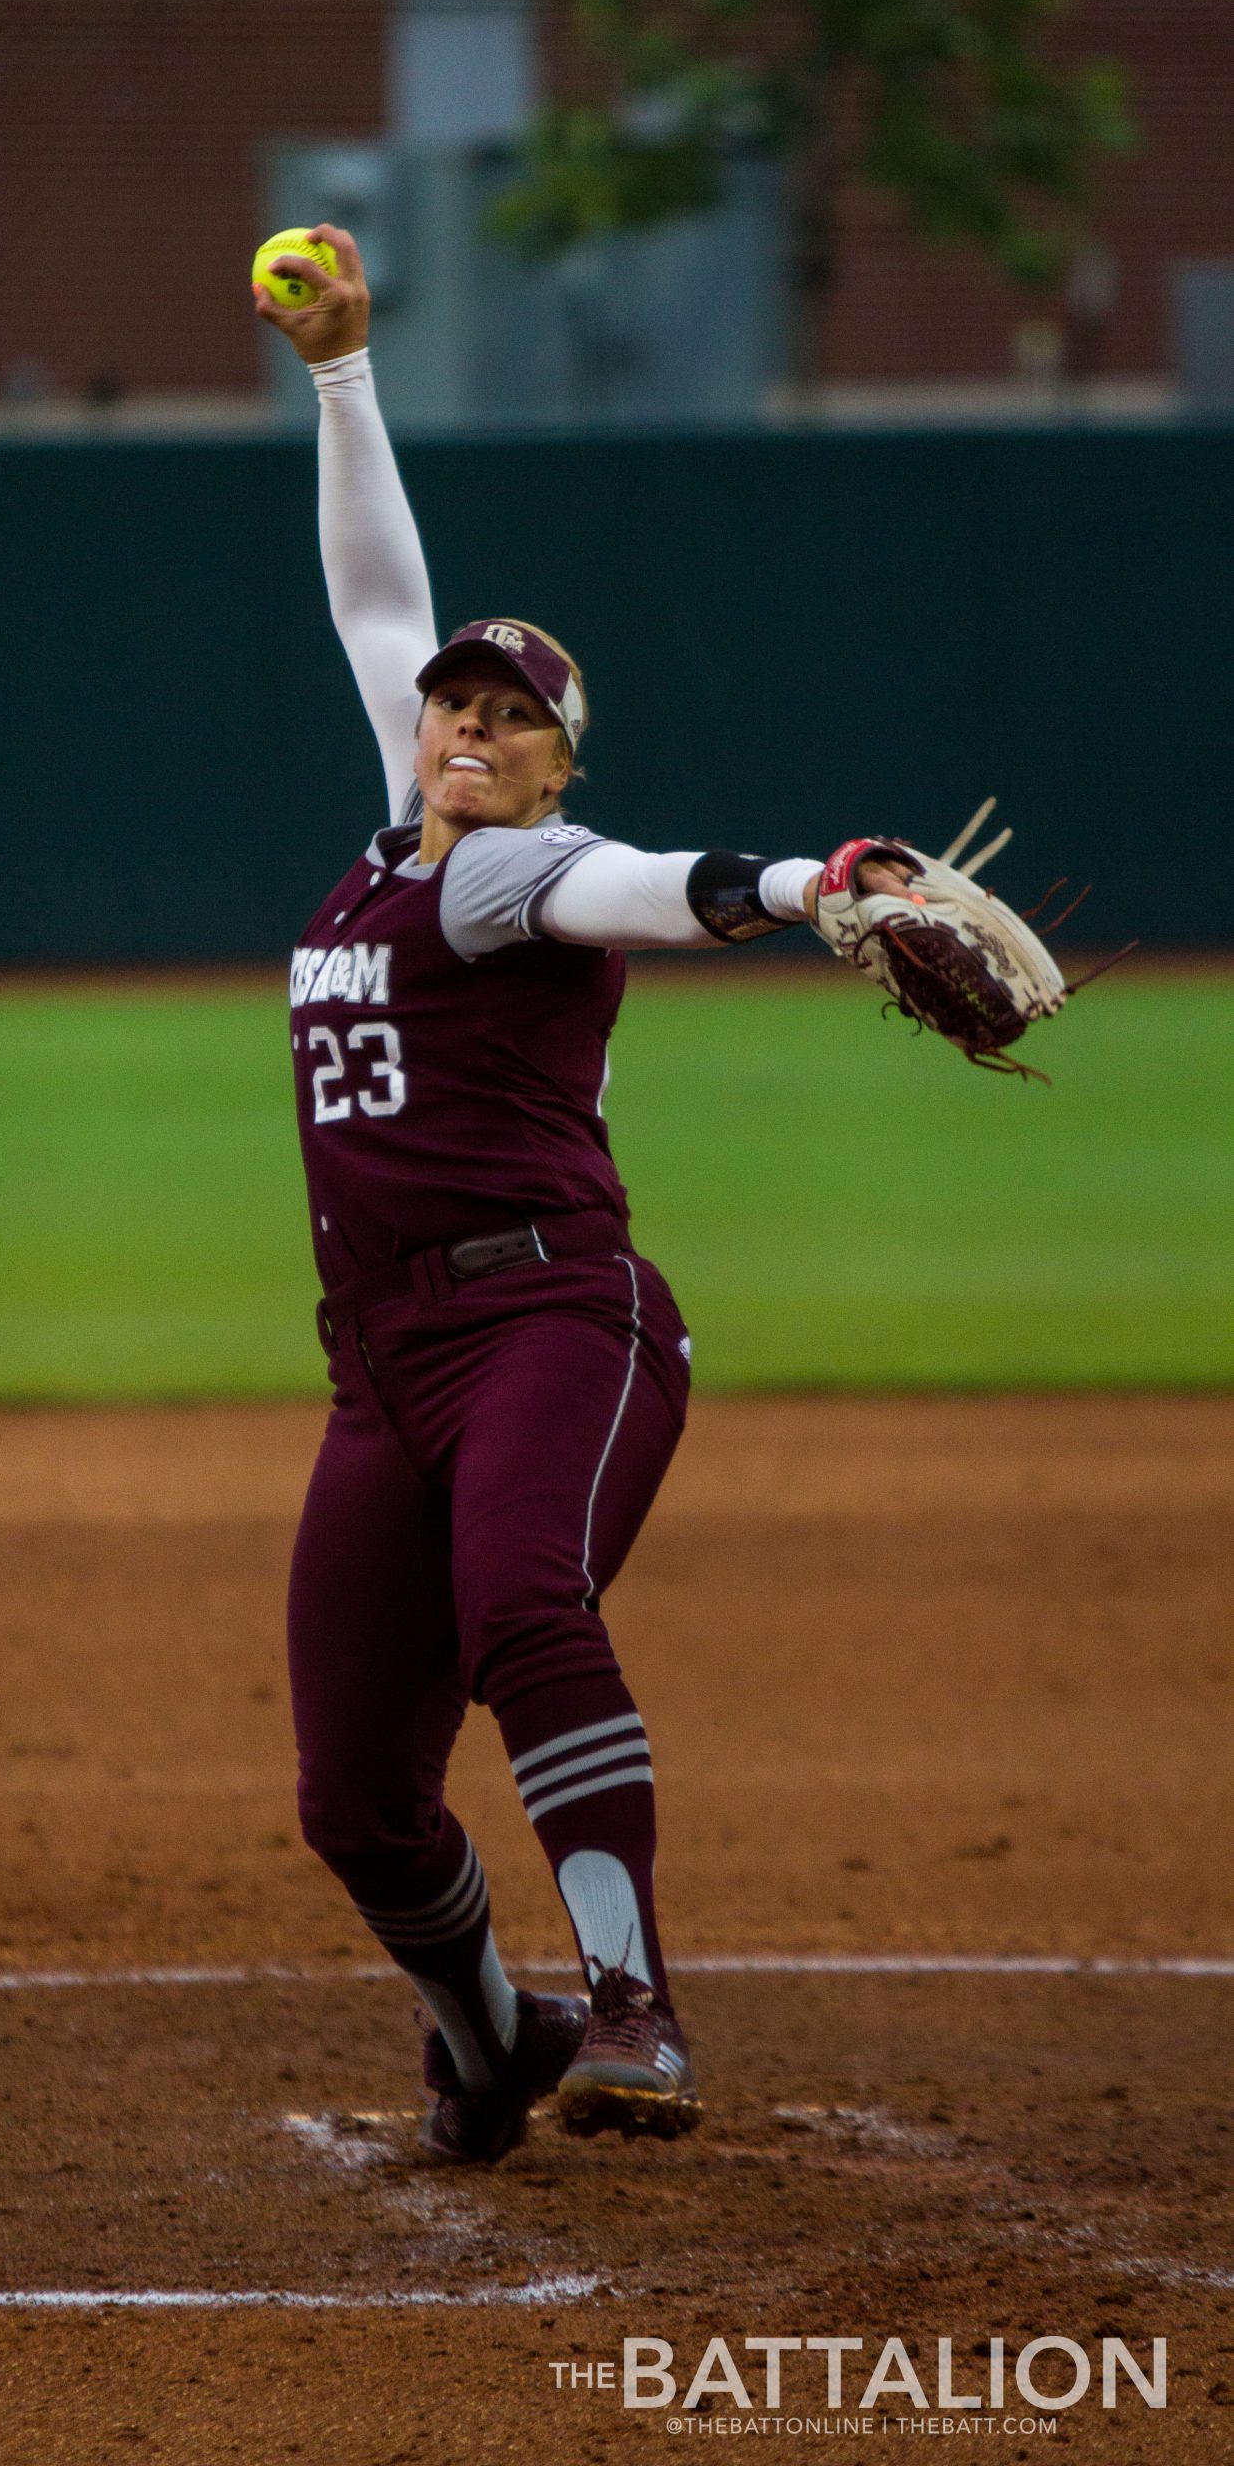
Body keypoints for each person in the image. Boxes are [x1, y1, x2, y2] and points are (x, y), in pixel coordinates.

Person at [255, 227, 913, 2166]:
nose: (464, 721)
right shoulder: (400, 835)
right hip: (379, 1367)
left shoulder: (516, 872)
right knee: (353, 1792)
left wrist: (796, 885)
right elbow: (377, 601)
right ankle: (491, 2027)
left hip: (554, 1316)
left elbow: (648, 882)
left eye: (508, 715)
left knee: (519, 1594)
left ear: (553, 766)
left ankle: (630, 1995)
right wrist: (342, 371)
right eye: (452, 705)